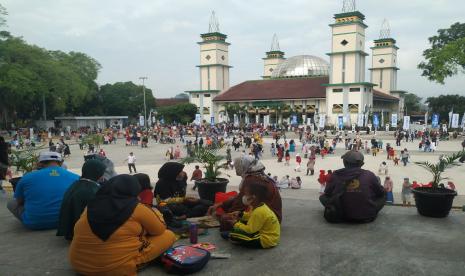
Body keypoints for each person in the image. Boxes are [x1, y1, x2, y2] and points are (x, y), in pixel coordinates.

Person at [69, 174, 175, 275]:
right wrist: (156, 212)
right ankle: (138, 262)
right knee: (168, 235)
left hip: (79, 265)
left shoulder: (90, 206)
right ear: (135, 190)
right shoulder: (137, 208)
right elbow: (159, 229)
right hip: (114, 268)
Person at [7, 152, 79, 230]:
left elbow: (19, 201)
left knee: (11, 203)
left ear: (40, 163)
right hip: (67, 222)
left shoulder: (27, 177)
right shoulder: (76, 177)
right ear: (61, 162)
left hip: (34, 224)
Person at [209, 155, 282, 231]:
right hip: (273, 217)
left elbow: (240, 203)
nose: (236, 169)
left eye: (237, 166)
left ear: (243, 166)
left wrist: (228, 216)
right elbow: (240, 197)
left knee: (225, 220)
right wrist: (221, 204)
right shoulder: (259, 175)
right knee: (231, 203)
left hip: (267, 221)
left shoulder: (251, 180)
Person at [319, 150, 385, 223]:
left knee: (322, 197)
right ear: (362, 164)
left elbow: (328, 193)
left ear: (344, 162)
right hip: (366, 217)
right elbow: (381, 192)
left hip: (339, 216)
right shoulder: (369, 175)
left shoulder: (336, 175)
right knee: (384, 195)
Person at [57, 159, 106, 240]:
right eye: (102, 172)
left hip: (70, 231)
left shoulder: (76, 184)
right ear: (97, 172)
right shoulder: (91, 190)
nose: (103, 175)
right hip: (82, 234)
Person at [227, 181, 280, 249]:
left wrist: (235, 223)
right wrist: (240, 214)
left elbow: (250, 230)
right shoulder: (260, 206)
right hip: (272, 237)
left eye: (246, 194)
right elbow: (250, 216)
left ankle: (234, 237)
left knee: (234, 235)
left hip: (266, 240)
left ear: (253, 197)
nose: (244, 197)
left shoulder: (258, 211)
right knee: (238, 229)